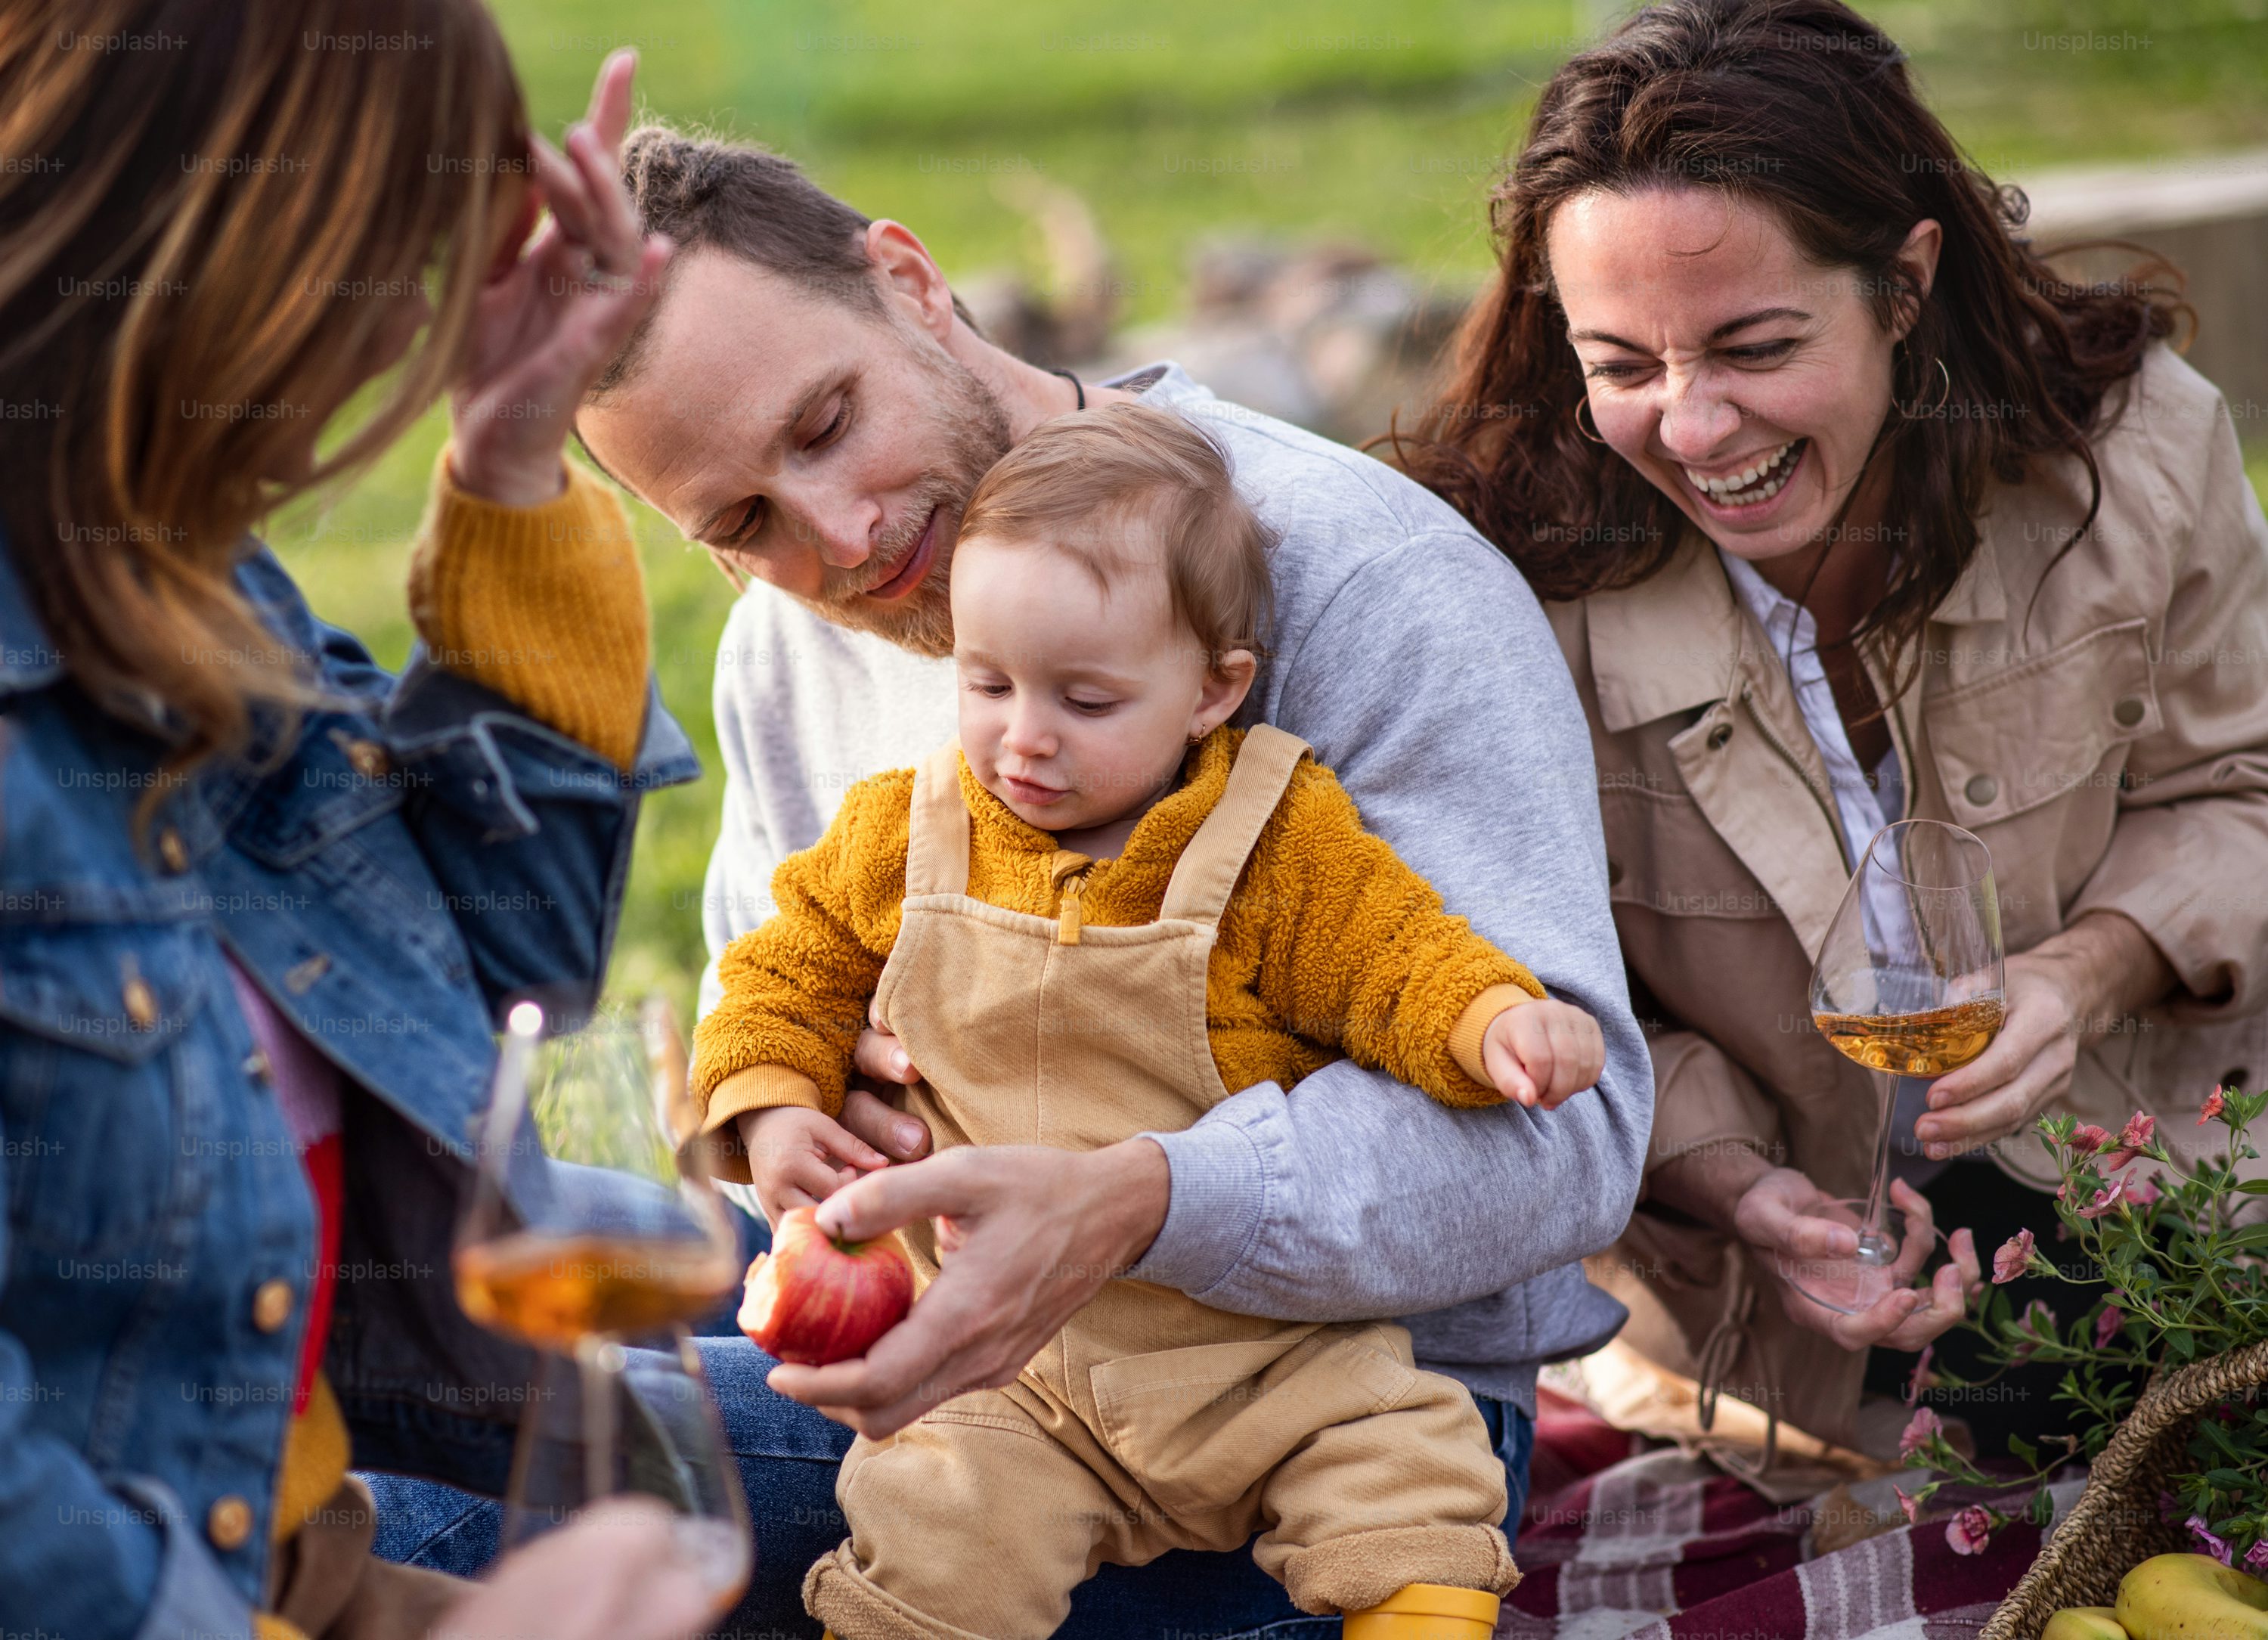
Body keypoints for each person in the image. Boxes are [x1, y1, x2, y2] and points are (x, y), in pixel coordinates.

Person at [402, 112, 1655, 1635]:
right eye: (741, 523)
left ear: (910, 284)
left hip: (1326, 1423)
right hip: (967, 1375)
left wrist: (1136, 1197)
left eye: (824, 424)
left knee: (434, 1499)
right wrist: (798, 1119)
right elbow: (769, 988)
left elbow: (1570, 1137)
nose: (845, 536)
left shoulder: (1350, 577)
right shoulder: (785, 646)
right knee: (401, 1327)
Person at [1391, 0, 2268, 1463]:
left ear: (1907, 283)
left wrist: (2087, 973)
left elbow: (2243, 786)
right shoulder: (1500, 584)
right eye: (1621, 365)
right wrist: (1736, 1183)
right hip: (1774, 1320)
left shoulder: (2138, 457)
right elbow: (1495, 991)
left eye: (1756, 345)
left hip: (2174, 1200)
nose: (1694, 428)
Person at [0, 5, 713, 1636]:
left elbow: (499, 996)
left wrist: (515, 461)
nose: (390, 353)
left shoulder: (174, 572)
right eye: (383, 274)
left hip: (302, 1554)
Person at [695, 403, 1607, 1636]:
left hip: (1261, 1350)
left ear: (1212, 689)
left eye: (1085, 697)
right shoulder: (900, 836)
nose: (1025, 736)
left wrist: (1495, 1019)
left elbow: (1391, 960)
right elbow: (780, 973)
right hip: (999, 1367)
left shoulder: (1272, 843)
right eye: (987, 681)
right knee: (934, 1524)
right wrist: (769, 1104)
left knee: (1404, 1460)